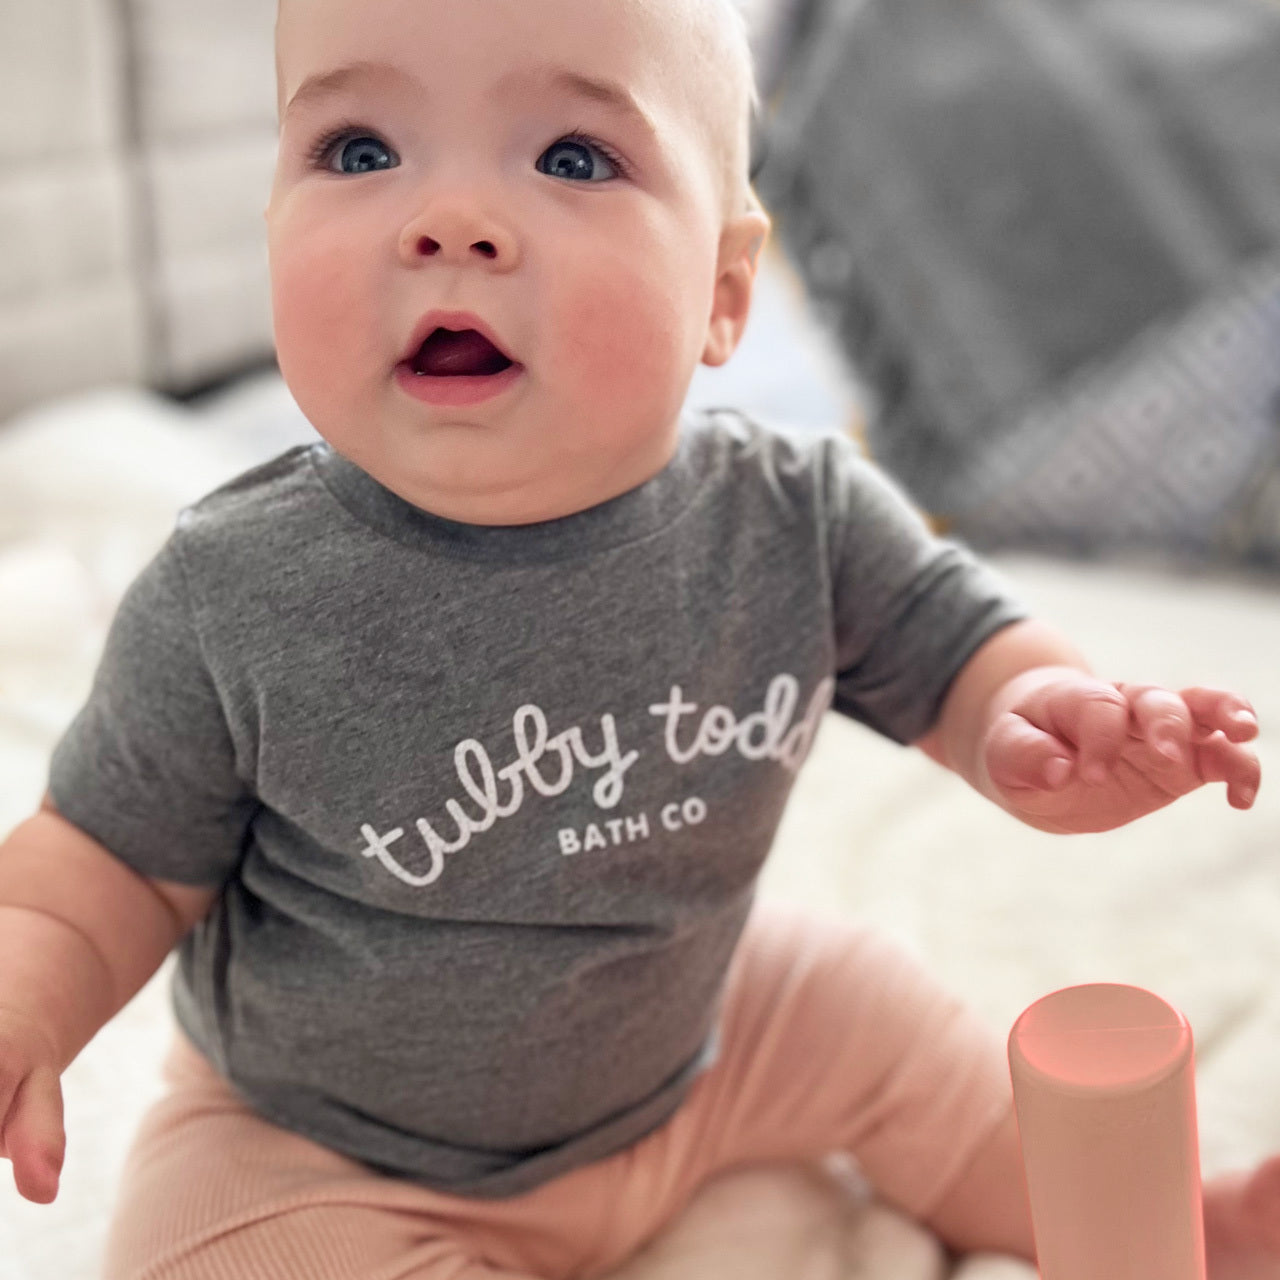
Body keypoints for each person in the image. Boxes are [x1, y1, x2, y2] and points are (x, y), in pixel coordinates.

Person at [0, 1, 1276, 1276]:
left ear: (721, 294)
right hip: (326, 1145)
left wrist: (1042, 721)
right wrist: (27, 995)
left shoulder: (793, 518)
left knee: (887, 1022)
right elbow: (98, 865)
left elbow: (961, 651)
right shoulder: (236, 590)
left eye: (570, 158)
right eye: (356, 150)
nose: (448, 221)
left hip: (702, 1036)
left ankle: (1178, 1227)